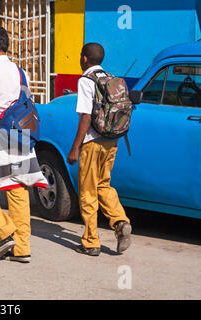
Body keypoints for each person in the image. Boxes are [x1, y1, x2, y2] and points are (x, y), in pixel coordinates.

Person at [0, 25, 47, 263]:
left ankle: (5, 234)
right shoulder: (20, 71)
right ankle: (21, 248)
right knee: (18, 189)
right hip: (22, 136)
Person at [67, 42, 132, 256]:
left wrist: (75, 147)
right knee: (103, 185)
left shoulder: (86, 81)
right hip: (112, 141)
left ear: (84, 58)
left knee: (87, 191)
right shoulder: (111, 78)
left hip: (92, 142)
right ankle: (120, 222)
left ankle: (91, 242)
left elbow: (85, 116)